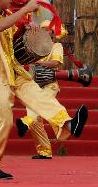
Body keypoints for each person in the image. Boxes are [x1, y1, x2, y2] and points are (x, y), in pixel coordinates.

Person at [0, 0, 88, 180]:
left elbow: (10, 36)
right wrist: (25, 10)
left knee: (39, 95)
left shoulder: (6, 13)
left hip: (15, 70)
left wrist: (25, 29)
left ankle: (67, 123)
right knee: (5, 123)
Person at [20, 21, 66, 160]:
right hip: (33, 85)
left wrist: (39, 62)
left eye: (47, 30)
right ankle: (44, 150)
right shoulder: (33, 46)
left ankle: (25, 123)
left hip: (49, 85)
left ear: (52, 33)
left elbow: (55, 63)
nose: (45, 32)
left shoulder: (56, 46)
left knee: (36, 111)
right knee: (35, 120)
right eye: (43, 29)